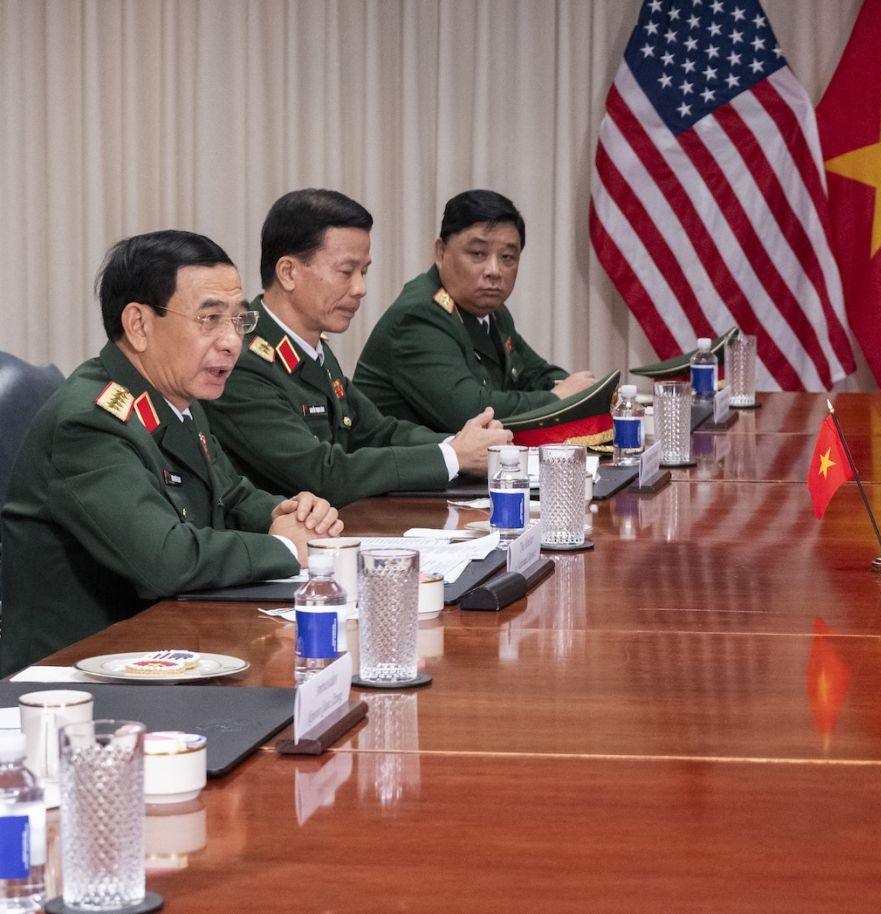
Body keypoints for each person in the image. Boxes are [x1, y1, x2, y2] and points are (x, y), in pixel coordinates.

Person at [0, 231, 342, 675]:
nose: (231, 342)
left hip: (157, 649)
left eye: (238, 320)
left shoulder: (176, 399)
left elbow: (231, 494)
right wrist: (283, 546)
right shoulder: (87, 421)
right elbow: (166, 559)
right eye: (210, 319)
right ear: (139, 325)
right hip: (71, 677)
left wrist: (292, 512)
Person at [204, 189, 512, 505]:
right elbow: (321, 473)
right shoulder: (240, 362)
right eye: (346, 271)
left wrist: (465, 444)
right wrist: (451, 456)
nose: (360, 289)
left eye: (363, 272)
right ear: (288, 272)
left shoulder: (311, 349)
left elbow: (378, 433)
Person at [354, 190, 596, 432]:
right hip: (412, 466)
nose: (494, 270)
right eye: (478, 254)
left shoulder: (493, 312)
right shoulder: (418, 316)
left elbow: (534, 374)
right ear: (440, 252)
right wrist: (558, 399)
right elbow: (470, 412)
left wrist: (577, 388)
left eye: (508, 257)